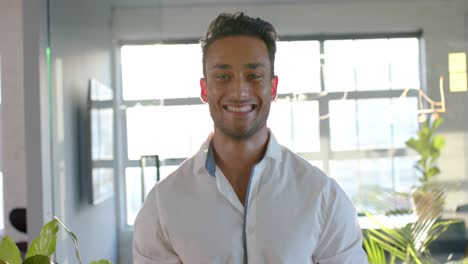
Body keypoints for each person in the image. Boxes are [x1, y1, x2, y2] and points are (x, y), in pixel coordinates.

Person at [133, 12, 368, 264]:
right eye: (223, 77)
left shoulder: (323, 197)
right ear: (204, 89)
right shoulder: (163, 204)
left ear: (273, 87)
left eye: (254, 76)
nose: (239, 91)